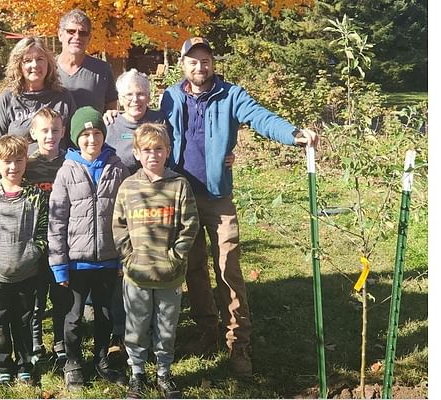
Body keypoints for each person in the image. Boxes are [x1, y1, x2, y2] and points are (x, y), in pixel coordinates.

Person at [159, 37, 319, 378]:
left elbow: (260, 116)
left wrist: (293, 134)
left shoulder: (230, 94)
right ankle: (207, 332)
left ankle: (238, 343)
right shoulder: (170, 97)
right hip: (182, 194)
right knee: (194, 268)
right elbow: (145, 123)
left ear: (213, 64)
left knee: (228, 267)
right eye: (193, 61)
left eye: (205, 60)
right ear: (183, 65)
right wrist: (115, 114)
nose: (199, 67)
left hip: (218, 198)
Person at [112, 123, 199, 399]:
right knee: (136, 325)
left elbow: (190, 225)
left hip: (169, 274)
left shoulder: (178, 185)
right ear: (137, 153)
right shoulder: (128, 187)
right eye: (146, 150)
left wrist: (175, 257)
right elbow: (118, 225)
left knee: (166, 326)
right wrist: (129, 257)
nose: (153, 155)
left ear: (168, 151)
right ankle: (137, 373)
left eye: (158, 149)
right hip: (136, 275)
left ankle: (164, 374)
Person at [48, 106, 130, 390]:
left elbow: (125, 217)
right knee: (73, 317)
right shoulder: (67, 172)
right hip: (75, 261)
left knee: (105, 315)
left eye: (96, 133)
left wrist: (123, 257)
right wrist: (59, 264)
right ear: (75, 138)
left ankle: (100, 358)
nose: (91, 139)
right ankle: (73, 362)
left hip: (108, 259)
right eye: (85, 134)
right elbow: (57, 220)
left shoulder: (117, 168)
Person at [0, 135, 48, 385]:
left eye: (19, 160)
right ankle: (3, 364)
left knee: (24, 321)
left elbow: (44, 232)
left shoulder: (35, 196)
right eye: (7, 162)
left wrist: (31, 255)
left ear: (26, 162)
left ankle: (25, 364)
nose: (13, 167)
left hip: (26, 273)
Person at [0, 36, 77, 184]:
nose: (35, 65)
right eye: (27, 60)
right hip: (19, 182)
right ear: (18, 65)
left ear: (49, 63)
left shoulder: (63, 97)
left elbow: (75, 142)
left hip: (58, 180)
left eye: (40, 59)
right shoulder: (8, 99)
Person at [23, 107, 73, 366]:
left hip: (62, 242)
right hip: (35, 241)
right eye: (44, 131)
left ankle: (60, 340)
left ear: (63, 132)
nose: (50, 136)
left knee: (60, 292)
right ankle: (35, 340)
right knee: (36, 295)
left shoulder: (70, 163)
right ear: (34, 133)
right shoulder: (27, 167)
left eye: (55, 130)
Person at [55, 9, 118, 113]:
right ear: (60, 34)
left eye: (83, 33)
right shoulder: (47, 68)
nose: (77, 37)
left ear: (89, 38)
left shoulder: (102, 70)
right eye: (71, 31)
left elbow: (111, 113)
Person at [105, 69, 166, 174]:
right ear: (120, 98)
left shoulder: (161, 121)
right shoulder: (110, 123)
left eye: (140, 94)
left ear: (148, 97)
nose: (135, 100)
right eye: (129, 95)